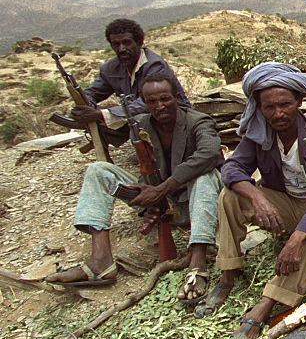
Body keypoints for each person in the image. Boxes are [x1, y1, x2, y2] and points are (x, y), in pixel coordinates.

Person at [198, 62, 306, 339]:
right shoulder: (260, 133)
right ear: (259, 108)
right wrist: (258, 198)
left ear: (299, 101)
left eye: (285, 105)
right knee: (230, 196)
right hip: (288, 199)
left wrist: (296, 239)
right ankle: (228, 274)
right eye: (269, 107)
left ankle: (268, 302)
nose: (278, 113)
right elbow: (233, 168)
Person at [46, 73, 223, 303]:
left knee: (205, 175)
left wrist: (162, 190)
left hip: (199, 202)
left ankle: (197, 261)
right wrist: (148, 202)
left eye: (165, 99)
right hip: (164, 201)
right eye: (152, 102)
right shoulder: (141, 124)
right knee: (98, 171)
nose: (159, 106)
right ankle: (101, 262)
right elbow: (146, 168)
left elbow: (209, 154)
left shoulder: (198, 121)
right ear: (145, 103)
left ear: (176, 97)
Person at [50, 18, 190, 136]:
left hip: (175, 117)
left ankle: (157, 152)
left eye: (127, 43)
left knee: (140, 119)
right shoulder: (111, 68)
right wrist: (86, 104)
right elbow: (94, 92)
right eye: (116, 44)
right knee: (120, 119)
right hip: (141, 116)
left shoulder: (155, 66)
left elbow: (147, 104)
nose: (121, 49)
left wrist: (101, 114)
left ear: (139, 43)